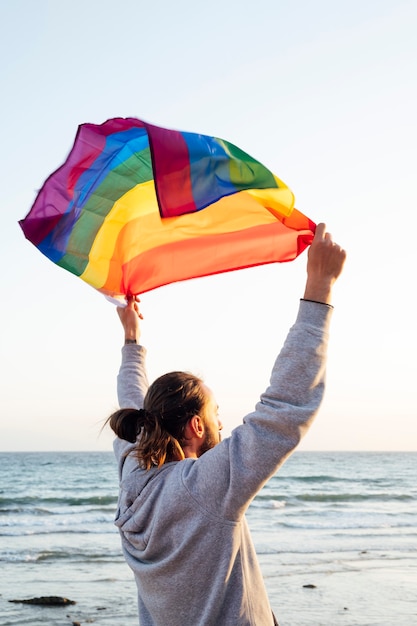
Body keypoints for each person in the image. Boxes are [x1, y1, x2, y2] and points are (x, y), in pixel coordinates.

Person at [108, 223, 346, 626]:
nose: (223, 419)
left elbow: (132, 402)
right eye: (216, 412)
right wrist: (318, 288)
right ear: (196, 427)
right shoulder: (204, 487)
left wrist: (133, 341)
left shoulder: (132, 474)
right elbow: (282, 411)